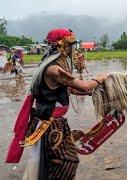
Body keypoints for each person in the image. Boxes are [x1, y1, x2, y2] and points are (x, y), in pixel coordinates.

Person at [6, 28, 109, 179]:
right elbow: (84, 85)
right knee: (65, 162)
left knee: (54, 163)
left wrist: (88, 93)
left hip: (54, 122)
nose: (73, 49)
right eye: (71, 45)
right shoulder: (54, 69)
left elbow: (66, 90)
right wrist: (101, 78)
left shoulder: (52, 64)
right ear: (63, 46)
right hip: (50, 125)